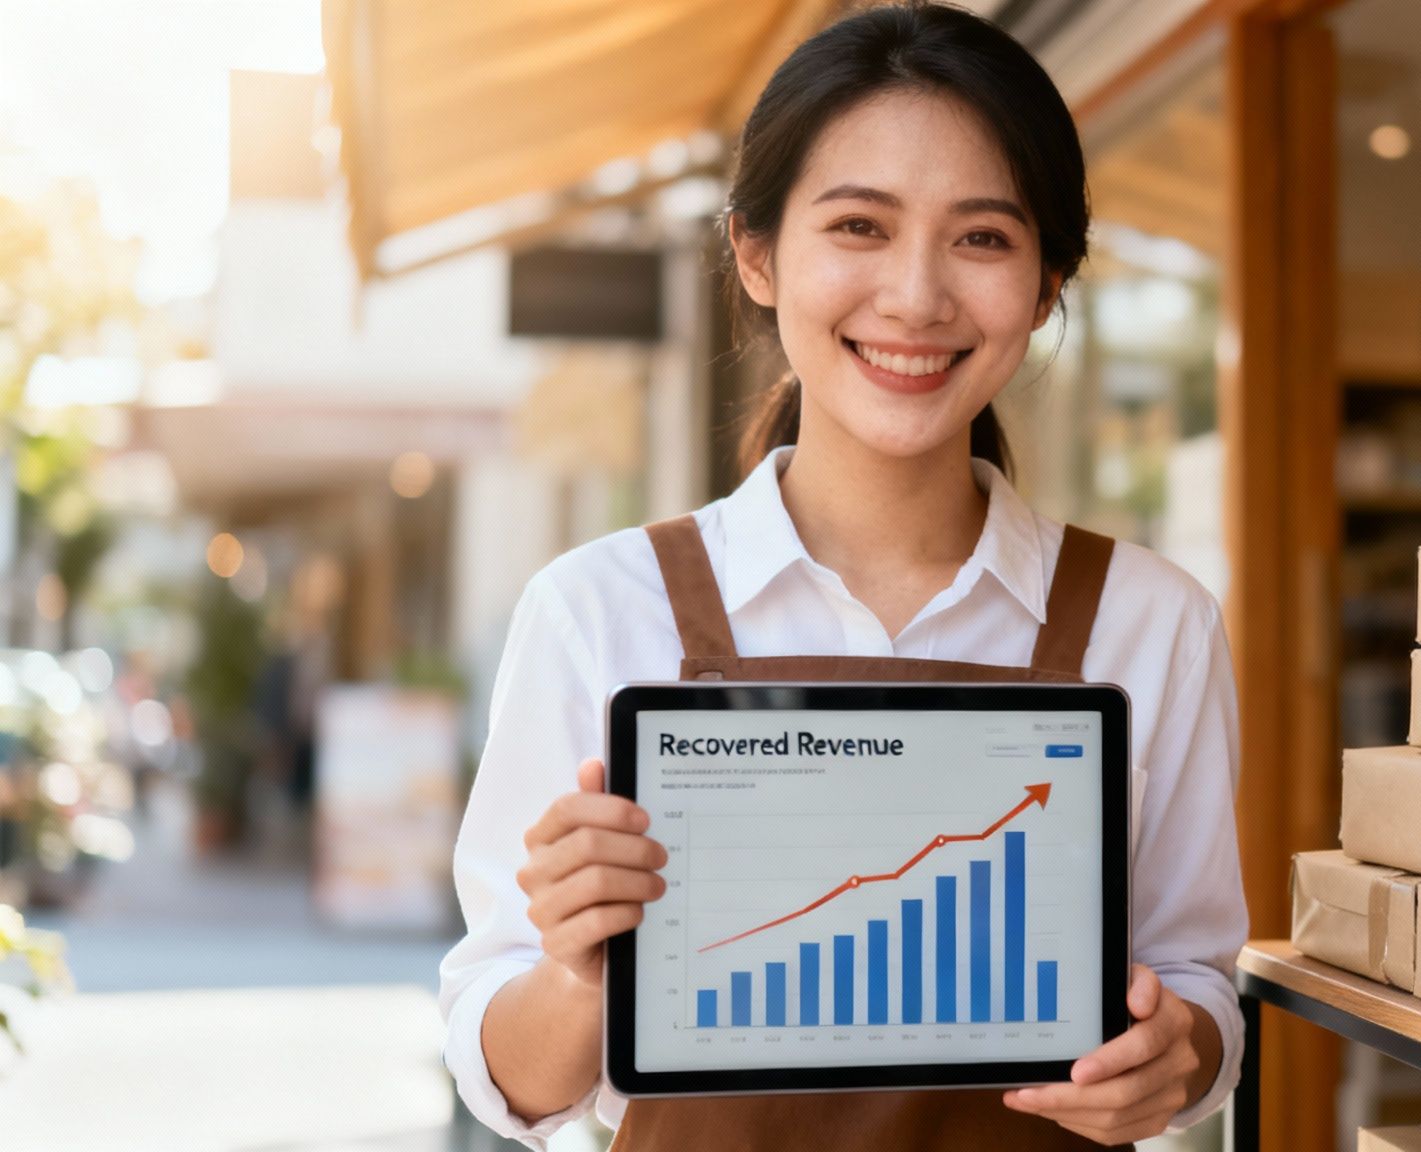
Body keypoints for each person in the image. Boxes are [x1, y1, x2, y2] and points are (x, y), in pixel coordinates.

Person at [438, 4, 1248, 1148]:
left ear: (1049, 282)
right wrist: (577, 973)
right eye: (858, 226)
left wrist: (1177, 1056)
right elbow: (511, 1084)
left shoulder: (1151, 622)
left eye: (982, 239)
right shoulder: (593, 610)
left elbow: (1198, 980)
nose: (916, 298)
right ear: (756, 254)